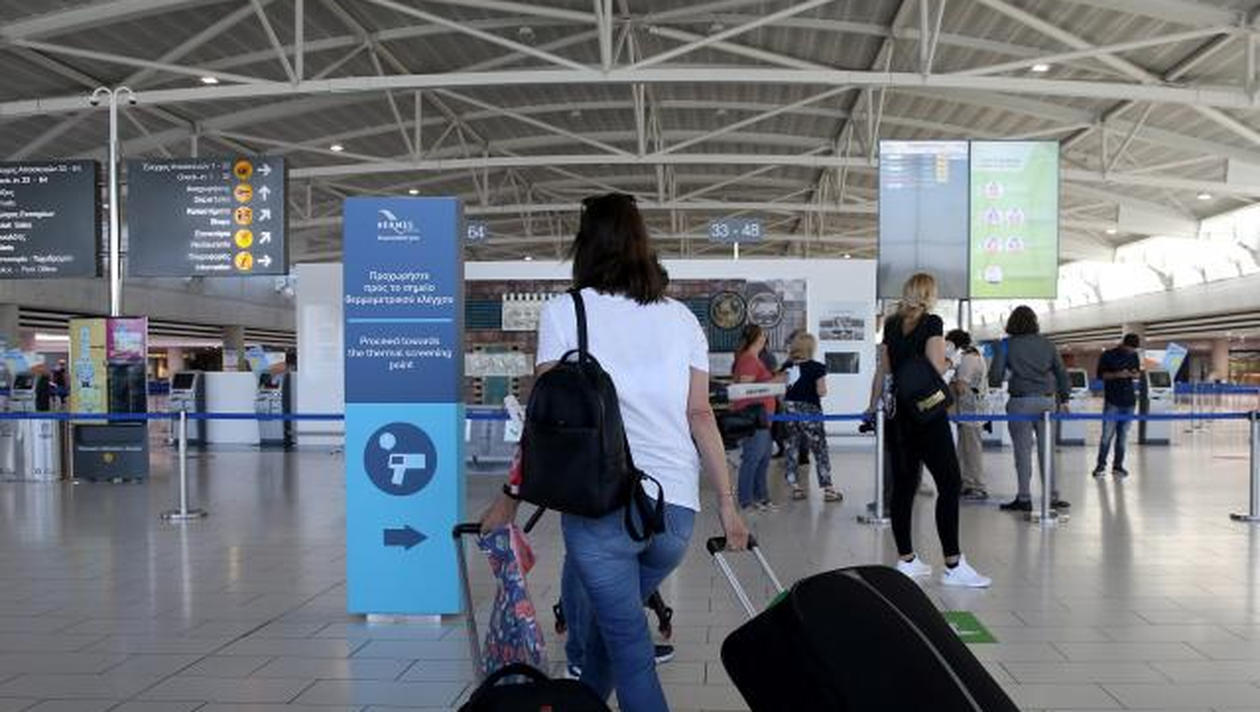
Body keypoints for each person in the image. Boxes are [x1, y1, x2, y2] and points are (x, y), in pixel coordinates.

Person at [480, 193, 749, 712]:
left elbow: (545, 423)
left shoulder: (566, 311)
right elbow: (700, 415)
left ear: (585, 245)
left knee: (629, 647)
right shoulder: (681, 319)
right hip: (674, 511)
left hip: (599, 505)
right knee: (612, 630)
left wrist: (510, 498)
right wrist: (729, 506)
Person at [865, 273, 991, 588]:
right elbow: (936, 366)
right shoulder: (932, 322)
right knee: (949, 483)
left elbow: (883, 370)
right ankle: (953, 564)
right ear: (929, 294)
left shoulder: (892, 324)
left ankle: (907, 560)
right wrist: (952, 359)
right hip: (928, 415)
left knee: (904, 487)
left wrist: (871, 405)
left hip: (900, 416)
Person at [989, 306, 1071, 512]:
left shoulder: (1006, 345)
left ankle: (1024, 498)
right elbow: (1061, 373)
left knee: (1023, 452)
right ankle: (1052, 496)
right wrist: (1065, 398)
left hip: (1020, 402)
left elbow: (995, 377)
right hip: (1047, 402)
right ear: (1034, 322)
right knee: (1047, 451)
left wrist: (1008, 374)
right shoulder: (1048, 344)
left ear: (1012, 323)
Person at [781, 331, 840, 502]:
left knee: (791, 447)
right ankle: (828, 489)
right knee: (819, 449)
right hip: (810, 411)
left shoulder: (787, 366)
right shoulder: (817, 367)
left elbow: (782, 391)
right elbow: (821, 391)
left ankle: (795, 488)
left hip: (789, 411)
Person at [732, 324, 784, 511]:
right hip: (753, 419)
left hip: (763, 418)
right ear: (756, 338)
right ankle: (746, 500)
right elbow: (744, 390)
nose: (765, 337)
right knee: (752, 459)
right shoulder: (748, 360)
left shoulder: (755, 359)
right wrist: (773, 381)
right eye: (762, 335)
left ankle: (762, 497)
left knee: (763, 459)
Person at [945, 330, 989, 501]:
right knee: (965, 448)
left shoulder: (967, 359)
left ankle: (977, 486)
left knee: (971, 449)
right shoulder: (974, 355)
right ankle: (967, 483)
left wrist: (950, 383)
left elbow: (962, 387)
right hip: (971, 410)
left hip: (970, 411)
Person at [1094, 333, 1141, 478]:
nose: (1131, 352)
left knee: (1122, 437)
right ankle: (1100, 467)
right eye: (1130, 349)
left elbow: (1137, 372)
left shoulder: (1134, 356)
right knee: (1106, 436)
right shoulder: (1108, 355)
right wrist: (1117, 375)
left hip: (1129, 401)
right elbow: (1101, 375)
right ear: (1124, 344)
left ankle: (1118, 467)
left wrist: (1134, 374)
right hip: (1113, 401)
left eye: (1134, 350)